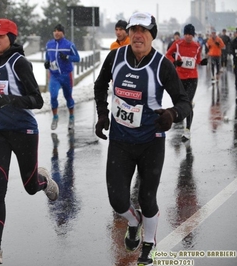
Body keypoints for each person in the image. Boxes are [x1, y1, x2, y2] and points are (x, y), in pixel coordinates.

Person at [93, 12, 191, 266]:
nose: (138, 35)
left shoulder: (162, 64)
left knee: (147, 198)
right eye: (133, 29)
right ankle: (133, 222)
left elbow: (184, 102)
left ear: (152, 36)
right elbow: (100, 84)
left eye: (144, 31)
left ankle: (149, 243)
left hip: (151, 141)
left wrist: (172, 113)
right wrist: (103, 114)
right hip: (120, 141)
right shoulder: (115, 57)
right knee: (117, 200)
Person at [0, 18, 59, 264]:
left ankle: (43, 180)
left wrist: (10, 100)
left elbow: (37, 100)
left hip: (23, 131)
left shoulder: (20, 63)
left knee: (29, 187)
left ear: (11, 38)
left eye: (0, 36)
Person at [166, 23, 208, 141]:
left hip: (192, 77)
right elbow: (168, 54)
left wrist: (202, 62)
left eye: (191, 34)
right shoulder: (178, 44)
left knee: (188, 104)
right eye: (187, 34)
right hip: (180, 77)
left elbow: (197, 59)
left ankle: (187, 130)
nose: (188, 36)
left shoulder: (197, 46)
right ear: (184, 34)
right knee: (181, 102)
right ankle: (182, 113)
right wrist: (175, 62)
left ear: (193, 35)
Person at [44, 24, 80, 130]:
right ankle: (55, 117)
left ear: (63, 33)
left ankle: (72, 117)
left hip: (66, 75)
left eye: (59, 30)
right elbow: (47, 57)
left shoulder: (69, 45)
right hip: (54, 75)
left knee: (68, 97)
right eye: (55, 31)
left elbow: (77, 58)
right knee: (53, 96)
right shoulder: (49, 44)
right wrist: (46, 63)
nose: (56, 32)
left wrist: (67, 57)